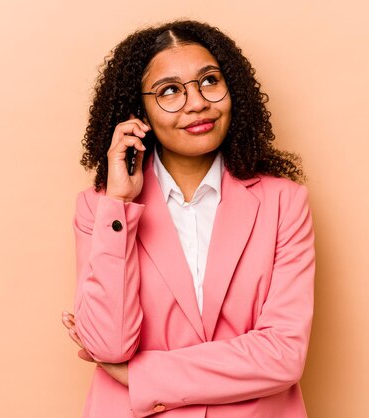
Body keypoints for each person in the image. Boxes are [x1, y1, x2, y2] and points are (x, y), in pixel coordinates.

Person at [61, 20, 315, 417]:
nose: (197, 103)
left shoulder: (284, 203)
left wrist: (140, 374)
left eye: (209, 81)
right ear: (137, 110)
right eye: (169, 91)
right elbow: (110, 344)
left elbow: (283, 354)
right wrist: (120, 204)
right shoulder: (100, 209)